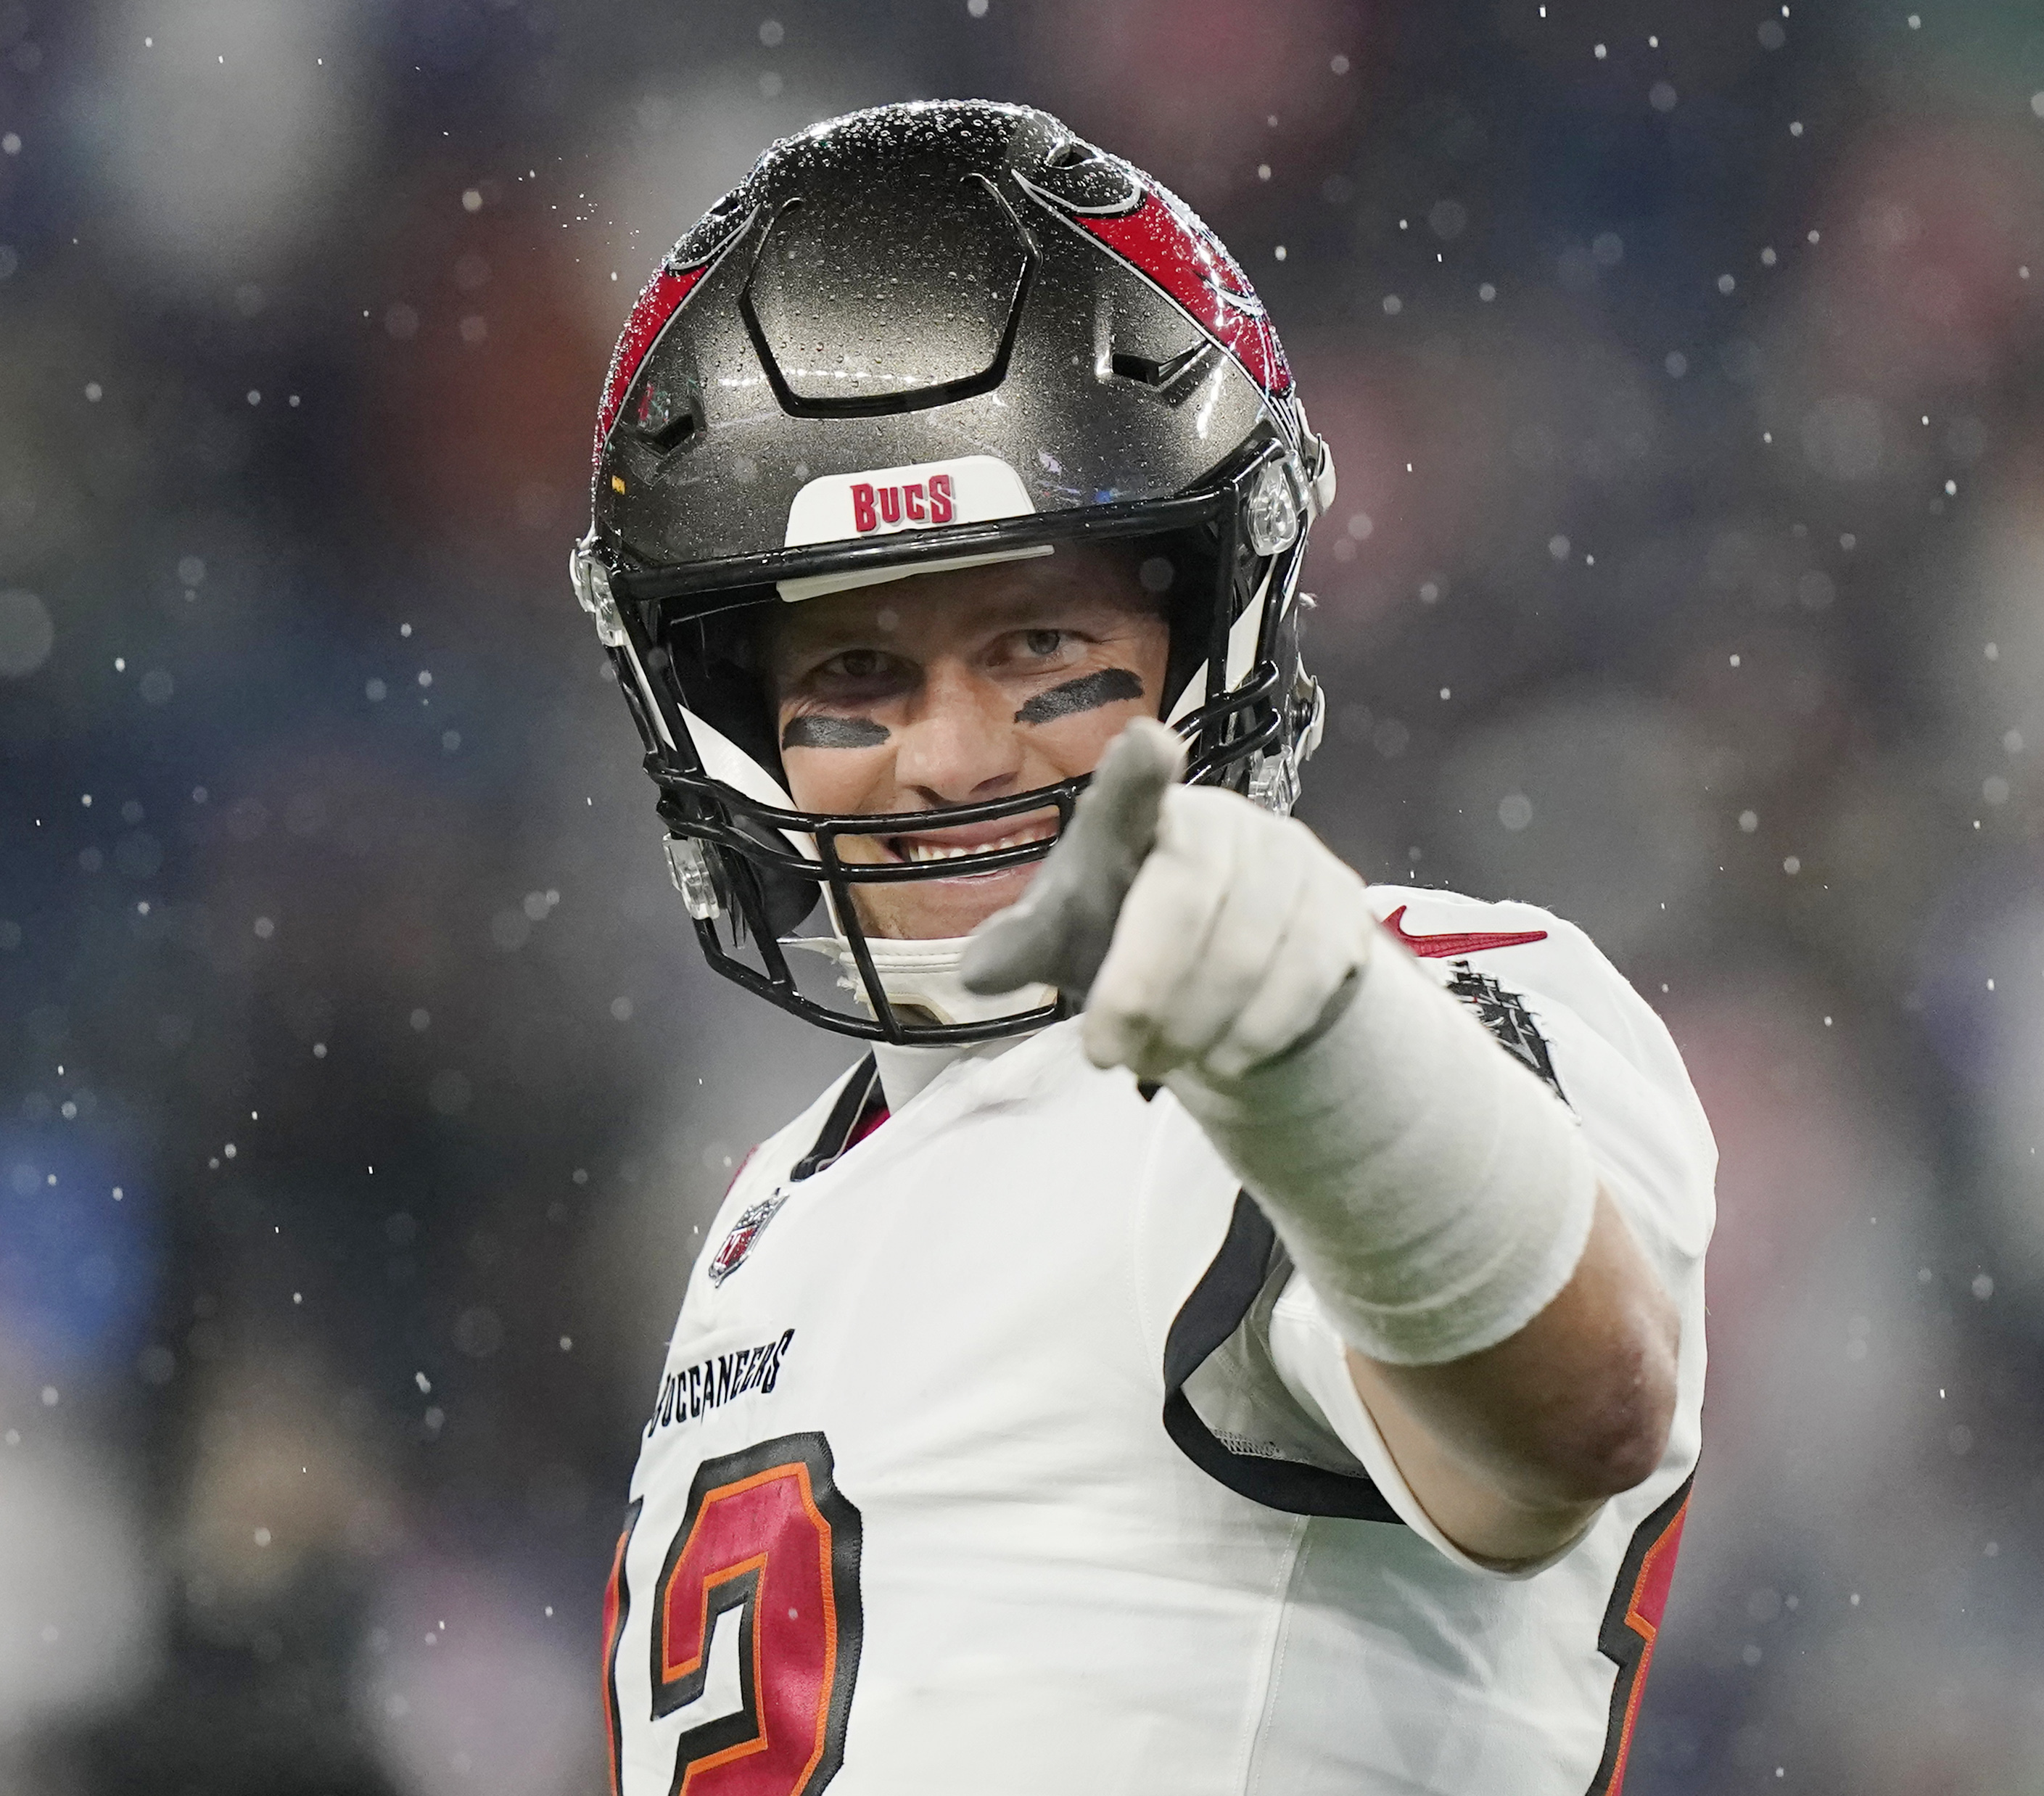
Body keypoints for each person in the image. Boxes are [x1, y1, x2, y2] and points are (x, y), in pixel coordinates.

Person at [575, 100, 1714, 1795]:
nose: (950, 752)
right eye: (855, 677)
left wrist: (1310, 1036)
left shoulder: (1383, 1008)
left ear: (1204, 627)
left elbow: (1574, 1414)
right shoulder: (779, 1197)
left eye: (1038, 638)